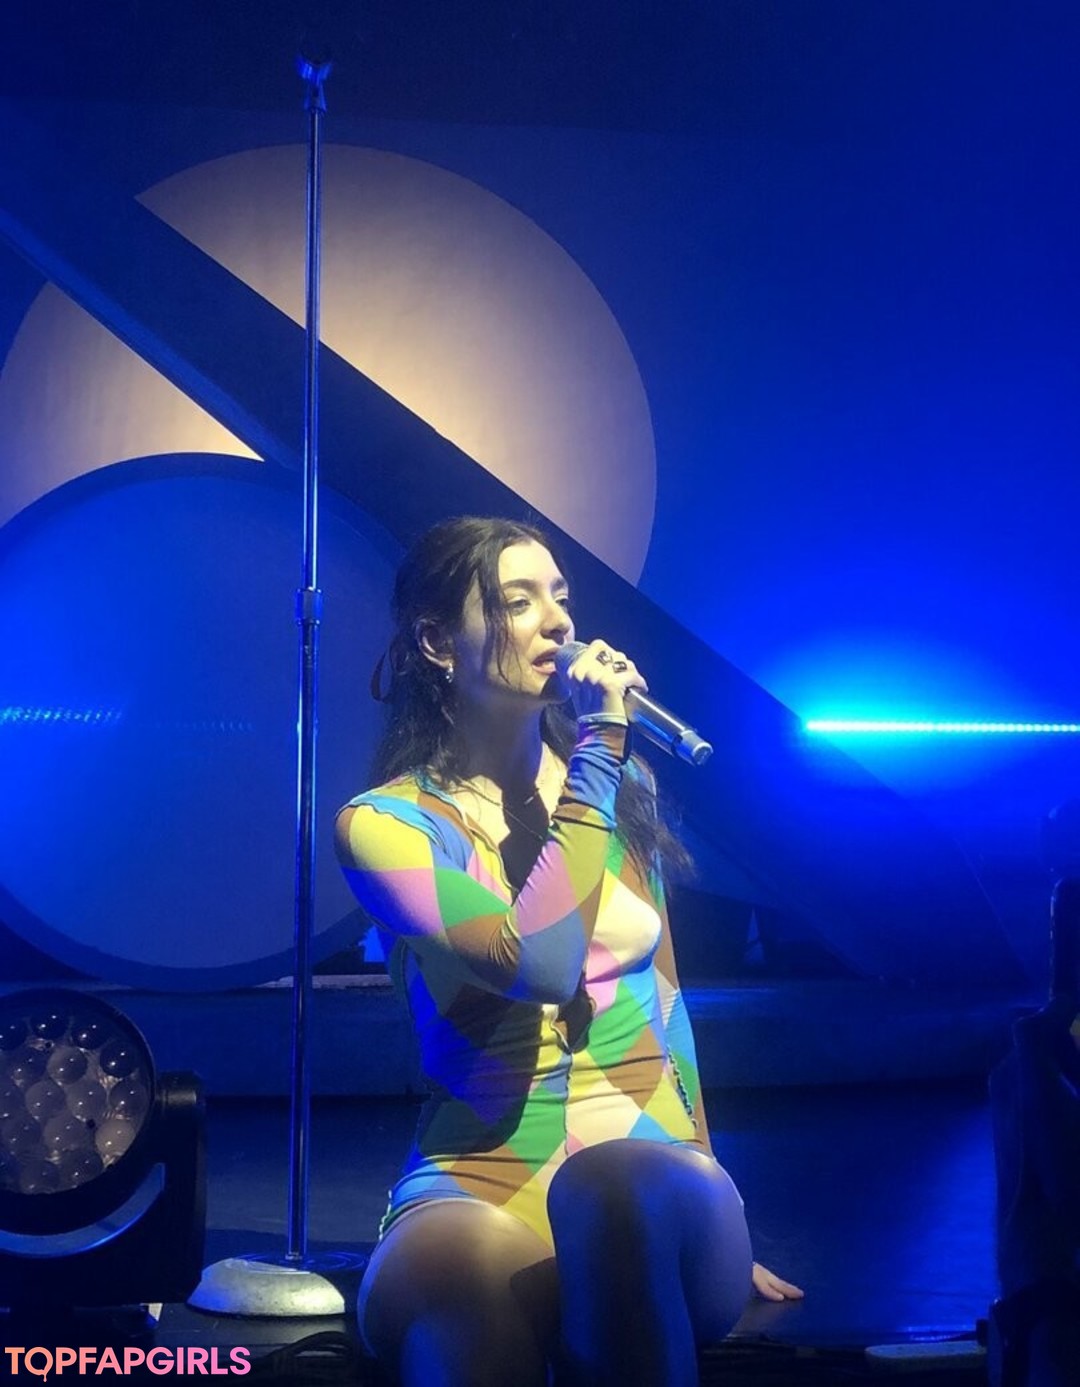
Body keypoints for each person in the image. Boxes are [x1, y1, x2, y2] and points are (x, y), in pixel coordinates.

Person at [335, 516, 802, 1387]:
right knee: (462, 1284)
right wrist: (597, 751)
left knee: (610, 1188)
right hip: (478, 1175)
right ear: (437, 642)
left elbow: (666, 1006)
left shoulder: (621, 782)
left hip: (647, 1168)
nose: (558, 622)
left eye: (560, 596)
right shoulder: (388, 827)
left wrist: (704, 1189)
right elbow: (541, 964)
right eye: (518, 601)